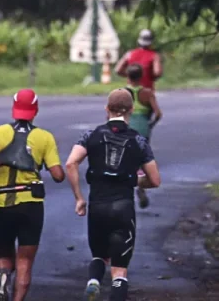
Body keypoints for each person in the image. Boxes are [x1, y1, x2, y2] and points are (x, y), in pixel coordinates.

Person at [64, 88, 161, 301]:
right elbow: (155, 180)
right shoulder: (138, 140)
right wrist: (133, 180)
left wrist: (79, 198)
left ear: (107, 109)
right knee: (119, 271)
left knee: (99, 255)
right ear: (132, 110)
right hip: (123, 208)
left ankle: (93, 282)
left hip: (97, 206)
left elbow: (71, 163)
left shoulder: (91, 135)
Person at [0, 90, 64, 301]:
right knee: (25, 260)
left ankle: (3, 276)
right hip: (30, 204)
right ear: (36, 110)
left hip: (1, 203)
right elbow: (58, 175)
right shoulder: (44, 137)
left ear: (13, 108)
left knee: (5, 255)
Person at [120, 64, 162, 208]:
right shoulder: (147, 93)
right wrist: (150, 124)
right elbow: (158, 114)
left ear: (127, 76)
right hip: (143, 129)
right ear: (141, 76)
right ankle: (141, 187)